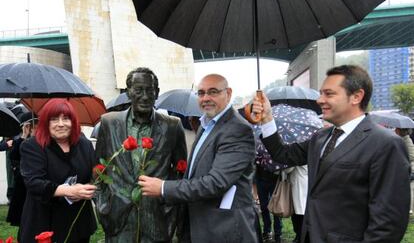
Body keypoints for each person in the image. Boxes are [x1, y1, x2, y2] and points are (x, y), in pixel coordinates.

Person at [252, 65, 410, 243]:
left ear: (356, 96)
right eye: (321, 93)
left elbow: (388, 223)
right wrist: (267, 119)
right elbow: (283, 154)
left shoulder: (385, 144)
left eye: (329, 94)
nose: (320, 100)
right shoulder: (320, 138)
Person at [139, 74, 259, 243]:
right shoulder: (206, 124)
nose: (206, 98)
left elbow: (215, 183)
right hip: (199, 224)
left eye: (213, 92)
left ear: (228, 93)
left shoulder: (237, 129)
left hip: (224, 229)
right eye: (201, 93)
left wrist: (164, 188)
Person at [95, 67, 187, 242]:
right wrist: (103, 206)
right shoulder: (109, 123)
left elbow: (181, 172)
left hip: (158, 219)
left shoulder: (173, 126)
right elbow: (98, 171)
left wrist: (171, 211)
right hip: (118, 219)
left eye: (150, 90)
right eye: (138, 90)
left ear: (157, 93)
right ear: (129, 92)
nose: (144, 96)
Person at [19, 99, 97, 243]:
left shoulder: (84, 145)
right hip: (45, 223)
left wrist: (89, 189)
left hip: (78, 223)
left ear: (73, 122)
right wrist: (69, 191)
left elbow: (95, 175)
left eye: (66, 118)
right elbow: (34, 183)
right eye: (54, 119)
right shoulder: (32, 146)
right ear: (45, 123)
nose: (61, 124)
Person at [6, 112, 38, 228]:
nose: (33, 127)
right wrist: (24, 135)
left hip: (38, 182)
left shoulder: (42, 140)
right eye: (30, 125)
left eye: (36, 124)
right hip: (22, 184)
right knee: (23, 220)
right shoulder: (20, 141)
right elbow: (13, 156)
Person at [395, 128, 414, 213]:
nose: (394, 130)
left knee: (410, 191)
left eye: (396, 129)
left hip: (410, 169)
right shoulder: (402, 139)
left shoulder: (406, 140)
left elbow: (412, 155)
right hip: (406, 168)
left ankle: (410, 211)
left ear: (399, 130)